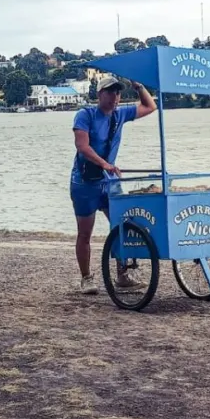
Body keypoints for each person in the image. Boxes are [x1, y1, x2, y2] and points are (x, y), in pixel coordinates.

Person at [71, 74, 156, 294]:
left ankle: (122, 275)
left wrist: (138, 85)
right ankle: (86, 278)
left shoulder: (121, 114)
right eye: (110, 92)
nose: (115, 97)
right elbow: (82, 146)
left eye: (118, 92)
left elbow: (150, 106)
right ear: (100, 94)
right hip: (84, 182)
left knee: (122, 227)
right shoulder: (85, 115)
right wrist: (104, 164)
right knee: (84, 233)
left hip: (110, 182)